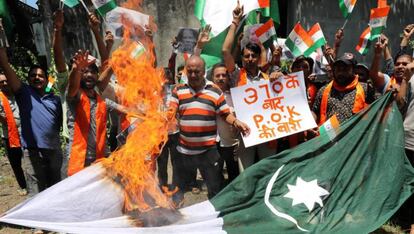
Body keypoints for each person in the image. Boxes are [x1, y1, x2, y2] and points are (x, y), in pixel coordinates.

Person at [168, 56, 250, 200]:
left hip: (208, 152)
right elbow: (170, 112)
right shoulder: (178, 90)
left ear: (204, 72)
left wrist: (236, 122)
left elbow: (225, 114)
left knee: (214, 190)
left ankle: (215, 218)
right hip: (184, 152)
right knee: (177, 192)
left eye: (197, 72)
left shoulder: (215, 90)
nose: (193, 75)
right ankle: (176, 217)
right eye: (190, 71)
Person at [0, 50, 63, 197]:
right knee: (36, 191)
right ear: (28, 80)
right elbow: (7, 68)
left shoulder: (55, 99)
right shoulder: (24, 93)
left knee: (57, 188)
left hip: (54, 150)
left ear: (47, 80)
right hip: (32, 151)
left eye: (41, 76)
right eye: (33, 75)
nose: (37, 78)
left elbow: (59, 122)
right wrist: (3, 57)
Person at [221, 2, 275, 171]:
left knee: (267, 171)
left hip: (267, 133)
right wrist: (235, 23)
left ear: (259, 58)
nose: (250, 58)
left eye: (253, 55)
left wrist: (278, 78)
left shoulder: (268, 78)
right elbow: (225, 51)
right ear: (242, 58)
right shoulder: (237, 75)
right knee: (246, 173)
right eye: (246, 56)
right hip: (245, 133)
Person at [65, 50, 116, 176]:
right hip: (80, 158)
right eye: (85, 71)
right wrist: (77, 70)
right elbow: (72, 86)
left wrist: (117, 60)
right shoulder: (75, 94)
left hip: (101, 155)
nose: (89, 75)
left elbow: (105, 77)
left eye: (93, 72)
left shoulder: (99, 97)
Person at [312, 53, 375, 125]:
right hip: (328, 135)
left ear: (354, 70)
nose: (341, 73)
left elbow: (377, 109)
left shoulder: (366, 89)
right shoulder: (323, 90)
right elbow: (314, 111)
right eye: (338, 69)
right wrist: (311, 125)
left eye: (345, 69)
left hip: (353, 135)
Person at [211, 63, 240, 183]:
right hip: (212, 141)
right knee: (214, 174)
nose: (221, 78)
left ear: (228, 77)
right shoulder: (206, 95)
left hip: (231, 141)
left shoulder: (236, 95)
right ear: (213, 78)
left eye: (224, 75)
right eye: (218, 75)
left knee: (233, 172)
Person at [0, 70, 27, 195]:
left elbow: (45, 91)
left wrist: (51, 81)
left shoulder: (20, 93)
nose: (5, 83)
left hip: (26, 133)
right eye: (1, 82)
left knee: (30, 160)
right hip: (9, 136)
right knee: (16, 164)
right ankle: (23, 186)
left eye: (6, 81)